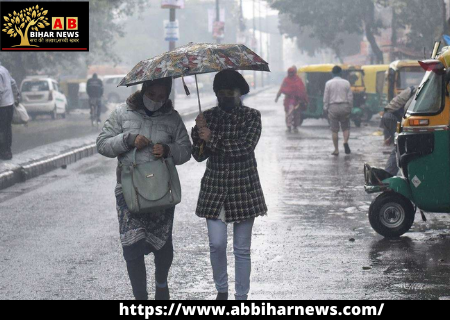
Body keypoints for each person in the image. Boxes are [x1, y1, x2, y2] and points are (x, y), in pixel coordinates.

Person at [96, 77, 192, 300]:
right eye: (152, 95)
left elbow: (186, 150)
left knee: (163, 244)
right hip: (130, 190)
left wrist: (168, 149)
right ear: (143, 91)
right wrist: (127, 140)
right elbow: (102, 144)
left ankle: (161, 286)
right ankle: (140, 297)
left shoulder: (172, 118)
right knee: (132, 245)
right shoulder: (122, 113)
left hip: (161, 189)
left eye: (161, 97)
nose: (156, 101)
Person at [191, 70, 267, 300]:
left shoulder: (252, 116)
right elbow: (198, 156)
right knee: (216, 244)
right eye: (221, 93)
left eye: (230, 93)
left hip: (244, 188)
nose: (226, 97)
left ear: (240, 93)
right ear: (216, 94)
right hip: (214, 189)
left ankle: (241, 296)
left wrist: (212, 138)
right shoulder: (208, 117)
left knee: (242, 249)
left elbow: (244, 148)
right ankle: (221, 290)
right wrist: (198, 134)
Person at [382, 86, 417, 176]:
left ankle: (390, 172)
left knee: (399, 145)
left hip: (389, 117)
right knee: (399, 146)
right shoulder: (418, 91)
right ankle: (389, 173)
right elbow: (407, 109)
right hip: (392, 117)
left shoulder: (414, 89)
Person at [323, 66, 353, 156]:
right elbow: (350, 97)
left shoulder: (328, 83)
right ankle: (345, 141)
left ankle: (336, 150)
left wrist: (325, 108)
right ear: (341, 73)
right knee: (345, 127)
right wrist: (350, 107)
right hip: (344, 106)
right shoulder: (346, 83)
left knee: (334, 130)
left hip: (333, 107)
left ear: (332, 73)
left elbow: (326, 97)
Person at [275, 66, 308, 133]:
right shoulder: (286, 80)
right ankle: (289, 126)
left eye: (292, 72)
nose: (290, 74)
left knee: (297, 114)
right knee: (288, 114)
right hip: (288, 101)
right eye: (289, 73)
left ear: (294, 73)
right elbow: (281, 89)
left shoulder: (298, 79)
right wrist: (277, 97)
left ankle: (295, 126)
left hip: (297, 101)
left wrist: (304, 99)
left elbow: (302, 90)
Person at [0, 62, 19, 161]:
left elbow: (0, 90)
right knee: (7, 128)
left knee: (2, 130)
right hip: (9, 104)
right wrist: (16, 96)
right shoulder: (4, 70)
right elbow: (13, 83)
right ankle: (8, 151)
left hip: (2, 106)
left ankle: (4, 152)